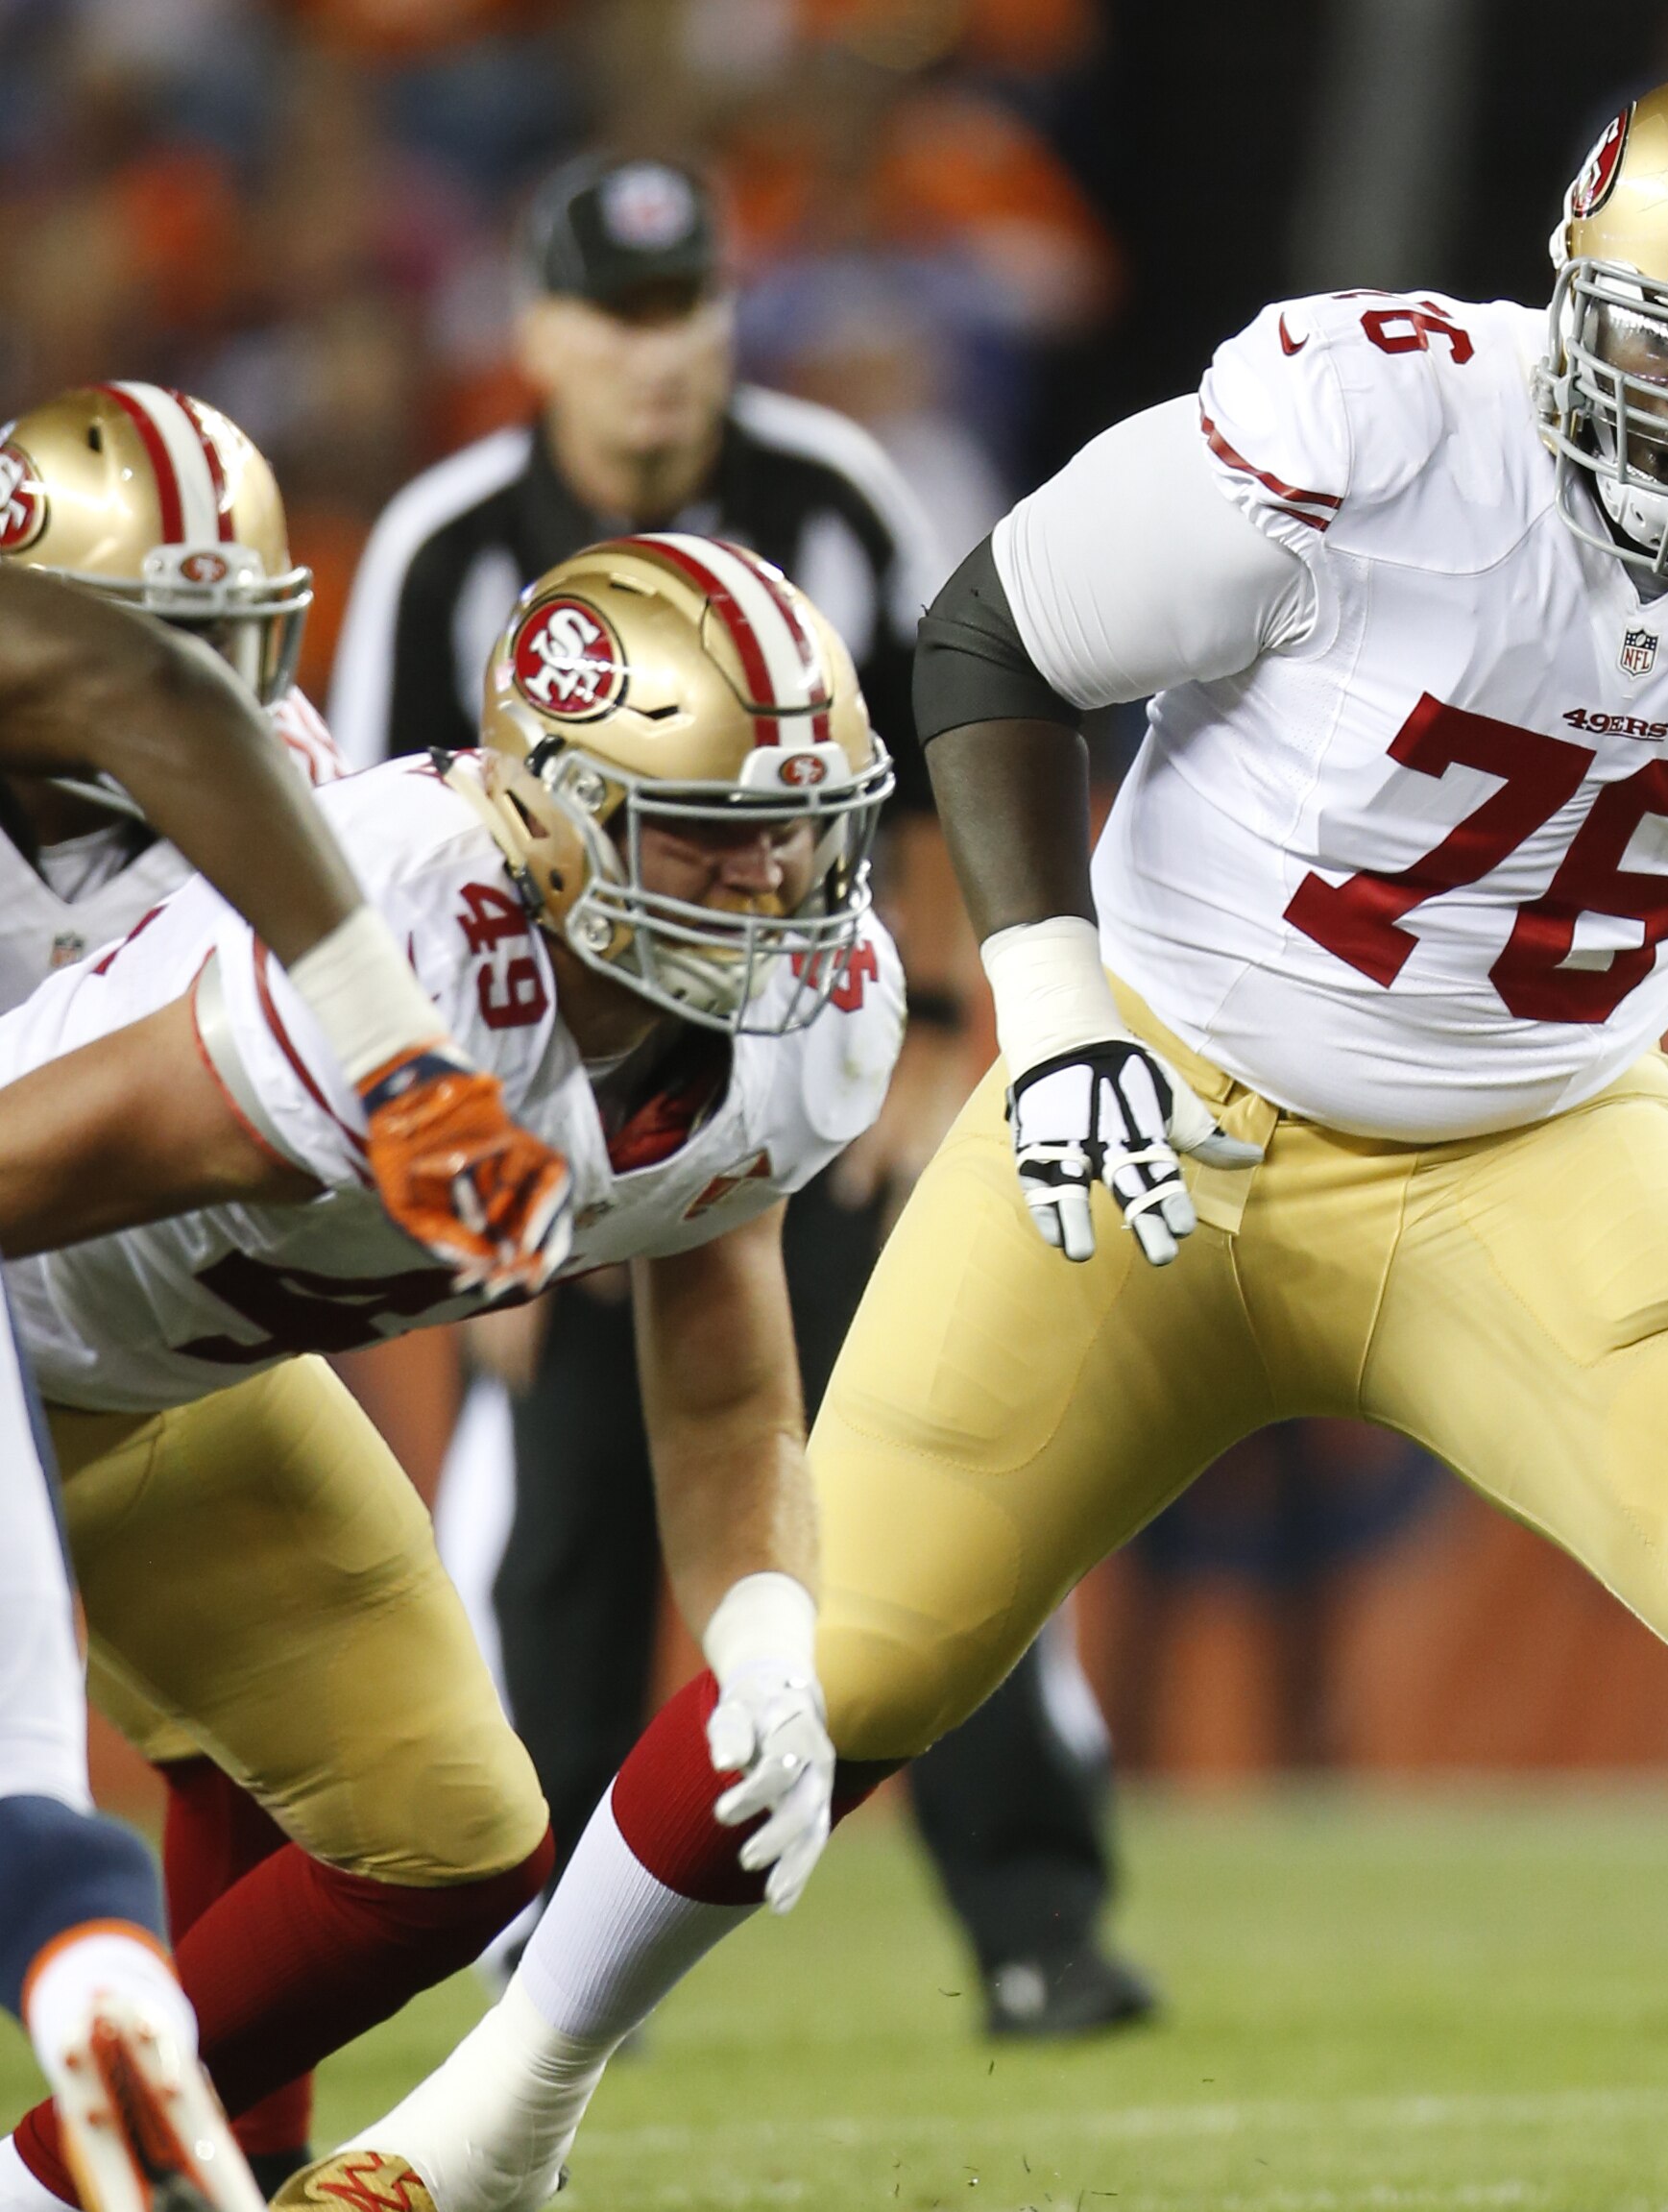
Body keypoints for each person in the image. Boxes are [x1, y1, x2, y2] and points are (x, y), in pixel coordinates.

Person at [284, 62, 1668, 2212]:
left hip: (1535, 1142)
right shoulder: (1381, 425)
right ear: (1573, 293)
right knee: (844, 1657)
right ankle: (496, 2118)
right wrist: (1054, 1010)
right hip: (1161, 1100)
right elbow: (993, 636)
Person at [333, 153, 1148, 2034]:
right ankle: (530, 1936)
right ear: (540, 333)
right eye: (616, 313)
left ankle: (1038, 1919)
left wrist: (931, 1029)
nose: (655, 352)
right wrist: (455, 1156)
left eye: (685, 305)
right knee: (555, 1529)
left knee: (935, 1480)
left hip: (797, 1079)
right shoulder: (451, 539)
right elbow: (364, 862)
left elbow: (947, 763)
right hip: (542, 1106)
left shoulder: (834, 495)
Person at [0, 537, 900, 2212]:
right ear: (554, 818)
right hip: (21, 1342)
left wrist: (765, 1636)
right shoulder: (409, 943)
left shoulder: (810, 1018)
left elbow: (721, 1370)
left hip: (185, 1386)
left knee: (450, 1842)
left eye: (801, 826)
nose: (776, 881)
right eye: (714, 836)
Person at [0, 494, 571, 2208]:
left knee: (443, 1832)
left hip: (145, 1340)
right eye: (163, 645)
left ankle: (122, 2173)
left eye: (238, 632)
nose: (216, 687)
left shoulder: (302, 786)